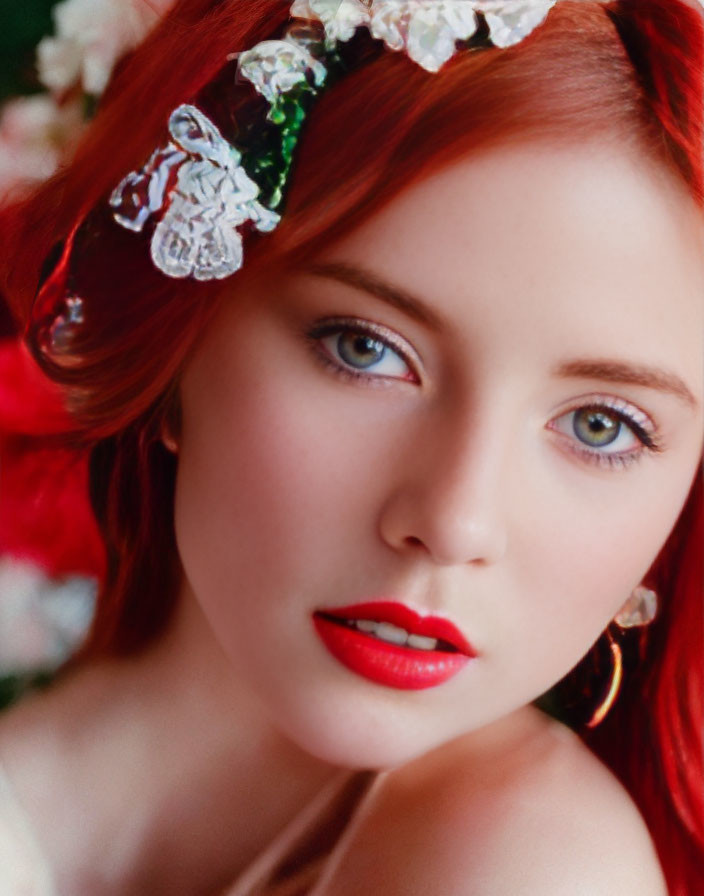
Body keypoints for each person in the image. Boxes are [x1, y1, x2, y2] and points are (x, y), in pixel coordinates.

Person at [0, 0, 702, 893]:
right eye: (365, 348)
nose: (453, 520)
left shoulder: (536, 863)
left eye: (603, 425)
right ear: (173, 333)